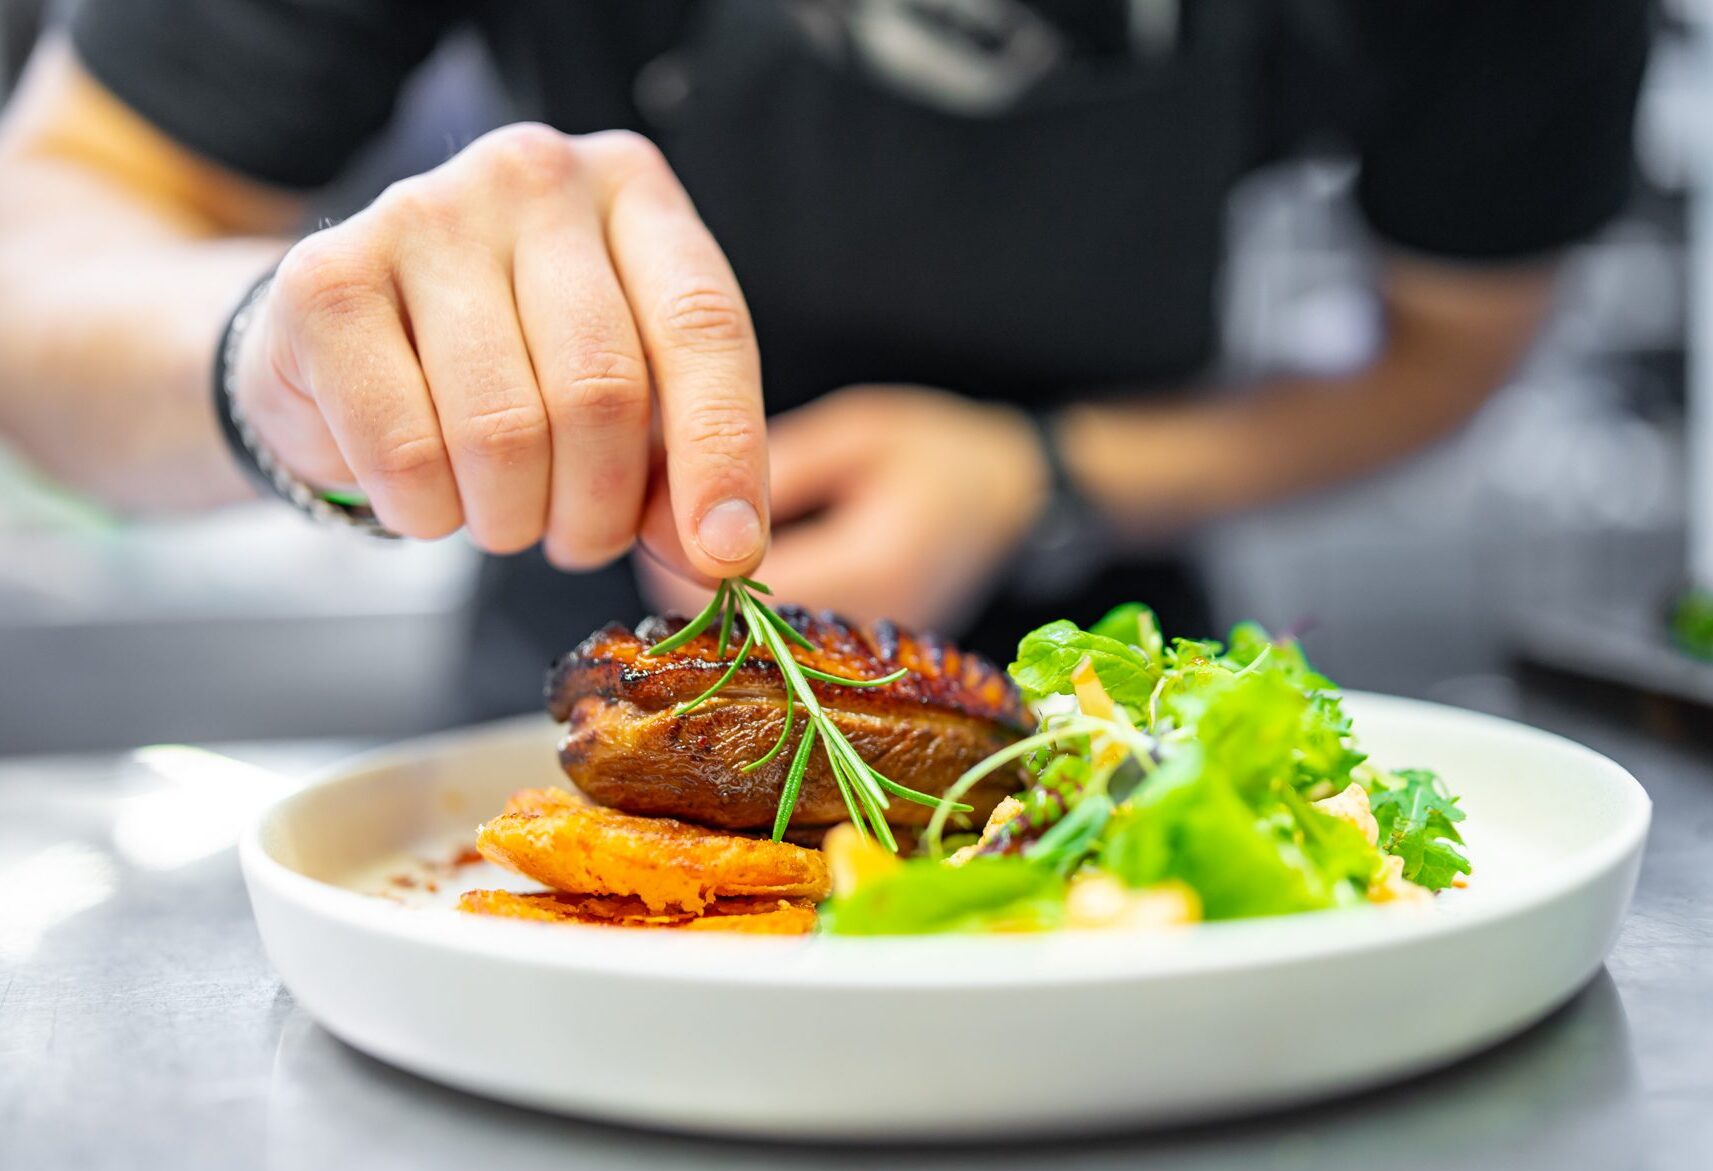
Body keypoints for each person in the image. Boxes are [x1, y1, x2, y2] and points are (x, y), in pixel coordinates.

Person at [0, 1, 1647, 717]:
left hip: (1115, 718)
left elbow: (1451, 345)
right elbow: (51, 241)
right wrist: (267, 361)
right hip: (568, 676)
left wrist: (1045, 473)